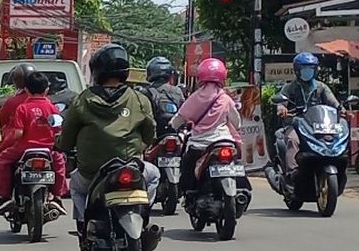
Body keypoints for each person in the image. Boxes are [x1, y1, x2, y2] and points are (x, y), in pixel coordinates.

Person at [55, 44, 161, 238]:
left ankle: (82, 223)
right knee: (154, 175)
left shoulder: (82, 100)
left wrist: (61, 145)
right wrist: (142, 145)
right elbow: (149, 132)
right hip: (131, 166)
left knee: (76, 189)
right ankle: (144, 211)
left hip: (91, 173)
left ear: (97, 71)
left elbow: (67, 137)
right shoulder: (139, 99)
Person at [0, 71, 69, 214]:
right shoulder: (52, 108)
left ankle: (4, 197)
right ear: (46, 89)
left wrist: (10, 141)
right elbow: (58, 131)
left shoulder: (22, 108)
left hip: (24, 148)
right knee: (59, 164)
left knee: (2, 160)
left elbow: (18, 133)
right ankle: (57, 197)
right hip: (49, 149)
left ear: (26, 90)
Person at [171, 58, 241, 193]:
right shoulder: (225, 98)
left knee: (187, 163)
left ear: (201, 76)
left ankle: (188, 192)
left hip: (199, 144)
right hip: (224, 141)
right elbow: (236, 121)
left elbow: (179, 118)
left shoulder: (195, 97)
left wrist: (172, 125)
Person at [277, 52, 342, 172]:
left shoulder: (321, 87)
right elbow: (281, 102)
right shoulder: (289, 87)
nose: (308, 71)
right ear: (297, 70)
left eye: (311, 68)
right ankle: (292, 172)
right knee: (292, 140)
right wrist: (282, 109)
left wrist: (342, 110)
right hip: (295, 124)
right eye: (304, 68)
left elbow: (334, 103)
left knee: (335, 138)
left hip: (316, 125)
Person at [0, 62, 35, 156]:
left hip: (14, 144)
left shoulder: (12, 102)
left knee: (1, 161)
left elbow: (0, 122)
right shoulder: (46, 101)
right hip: (44, 144)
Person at [143, 56, 186, 133]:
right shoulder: (177, 91)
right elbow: (184, 112)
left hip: (155, 134)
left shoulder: (146, 92)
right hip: (175, 132)